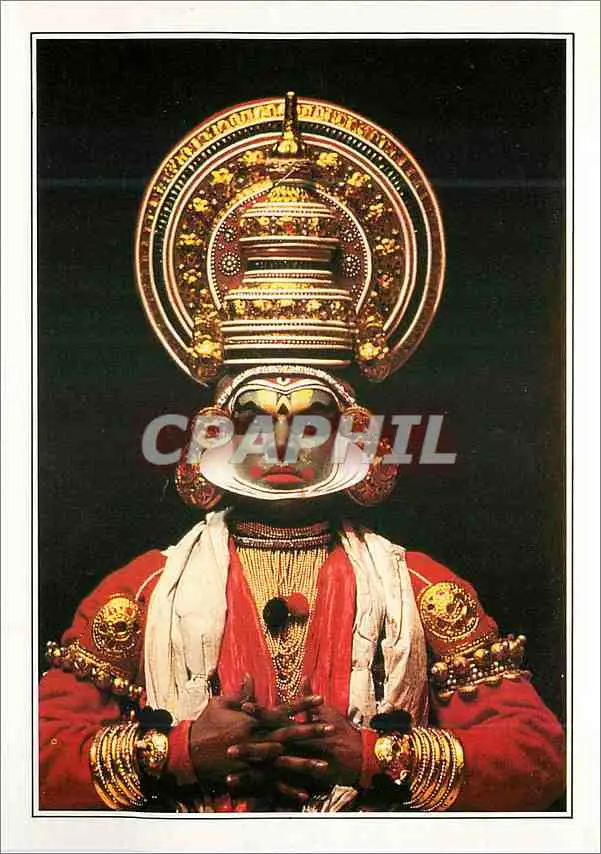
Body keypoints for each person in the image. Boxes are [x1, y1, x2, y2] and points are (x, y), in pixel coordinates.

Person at [39, 93, 565, 812]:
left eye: (310, 420)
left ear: (354, 432)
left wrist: (374, 756)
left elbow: (540, 758)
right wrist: (181, 753)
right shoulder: (141, 593)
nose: (283, 443)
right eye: (256, 419)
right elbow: (33, 758)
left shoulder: (421, 591)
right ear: (214, 432)